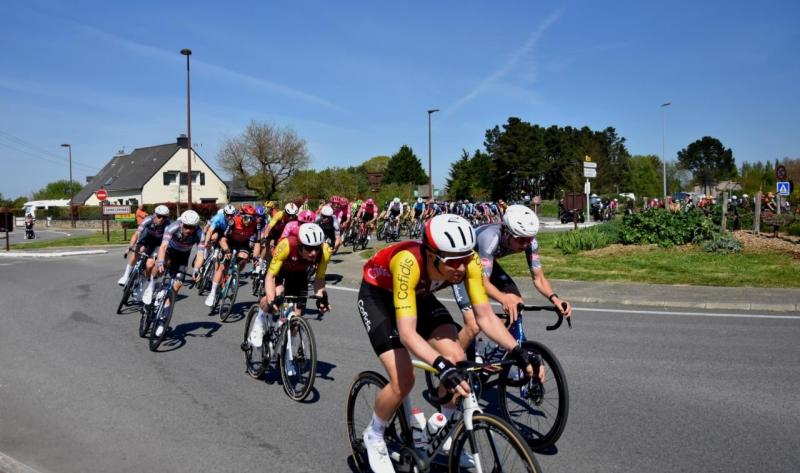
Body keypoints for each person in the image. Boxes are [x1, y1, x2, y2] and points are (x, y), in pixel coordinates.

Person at [356, 214, 536, 473]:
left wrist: (518, 351)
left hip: (419, 294)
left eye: (465, 259)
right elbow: (407, 334)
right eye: (453, 262)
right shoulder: (408, 262)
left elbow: (485, 316)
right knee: (404, 379)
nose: (461, 268)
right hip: (378, 296)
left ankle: (444, 431)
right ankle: (374, 434)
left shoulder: (469, 261)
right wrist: (440, 366)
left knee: (457, 358)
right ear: (431, 255)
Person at [245, 223, 331, 370]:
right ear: (300, 245)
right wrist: (272, 299)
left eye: (317, 248)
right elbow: (271, 277)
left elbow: (319, 279)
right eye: (309, 248)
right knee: (275, 298)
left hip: (299, 275)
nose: (313, 253)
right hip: (279, 271)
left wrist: (320, 298)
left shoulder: (325, 251)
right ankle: (259, 323)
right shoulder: (286, 245)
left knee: (296, 318)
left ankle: (287, 357)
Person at [153, 210, 205, 337]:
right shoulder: (173, 227)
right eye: (186, 226)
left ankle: (162, 321)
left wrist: (196, 270)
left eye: (191, 227)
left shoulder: (200, 234)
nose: (188, 230)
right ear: (181, 223)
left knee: (176, 287)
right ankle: (152, 287)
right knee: (160, 266)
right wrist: (160, 262)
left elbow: (200, 254)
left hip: (183, 257)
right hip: (169, 251)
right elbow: (163, 247)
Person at [205, 204, 260, 307]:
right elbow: (222, 239)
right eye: (246, 218)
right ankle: (212, 293)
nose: (249, 221)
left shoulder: (256, 225)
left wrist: (256, 257)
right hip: (230, 242)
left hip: (243, 243)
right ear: (241, 216)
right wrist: (226, 250)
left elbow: (257, 242)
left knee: (244, 258)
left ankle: (235, 274)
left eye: (251, 218)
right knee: (222, 267)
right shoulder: (233, 221)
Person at [118, 205, 171, 304]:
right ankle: (126, 275)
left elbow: (165, 244)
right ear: (155, 214)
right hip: (146, 238)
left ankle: (142, 281)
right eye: (159, 216)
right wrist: (130, 246)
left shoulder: (168, 225)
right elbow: (137, 233)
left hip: (158, 243)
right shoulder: (148, 220)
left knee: (150, 264)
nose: (161, 219)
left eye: (164, 217)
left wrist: (160, 255)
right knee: (137, 249)